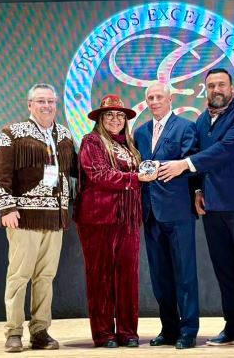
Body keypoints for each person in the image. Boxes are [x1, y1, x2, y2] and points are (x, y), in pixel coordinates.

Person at [159, 68, 234, 351]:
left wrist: (184, 165)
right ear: (205, 89)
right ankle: (233, 327)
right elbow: (199, 155)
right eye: (211, 85)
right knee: (224, 269)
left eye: (221, 84)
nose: (216, 89)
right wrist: (197, 190)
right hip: (212, 205)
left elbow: (226, 149)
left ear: (232, 88)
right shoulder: (201, 120)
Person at [0, 83, 76, 353]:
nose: (46, 106)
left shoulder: (64, 135)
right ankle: (14, 332)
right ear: (30, 105)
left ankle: (40, 331)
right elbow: (0, 174)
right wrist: (7, 208)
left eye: (51, 101)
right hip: (24, 218)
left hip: (55, 218)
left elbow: (75, 170)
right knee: (19, 276)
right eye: (41, 101)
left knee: (45, 277)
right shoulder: (12, 133)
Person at [73, 94, 157, 348]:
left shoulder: (130, 145)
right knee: (100, 276)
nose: (115, 119)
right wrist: (135, 179)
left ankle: (128, 332)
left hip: (128, 219)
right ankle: (103, 333)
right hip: (99, 218)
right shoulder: (92, 142)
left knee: (128, 277)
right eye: (109, 114)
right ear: (100, 118)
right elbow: (99, 175)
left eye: (120, 115)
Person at [134, 83, 199, 349]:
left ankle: (189, 330)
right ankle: (169, 328)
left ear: (170, 99)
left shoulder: (186, 127)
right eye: (150, 97)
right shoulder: (140, 132)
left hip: (178, 210)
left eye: (159, 96)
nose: (154, 101)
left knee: (185, 274)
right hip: (150, 212)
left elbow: (193, 165)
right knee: (160, 276)